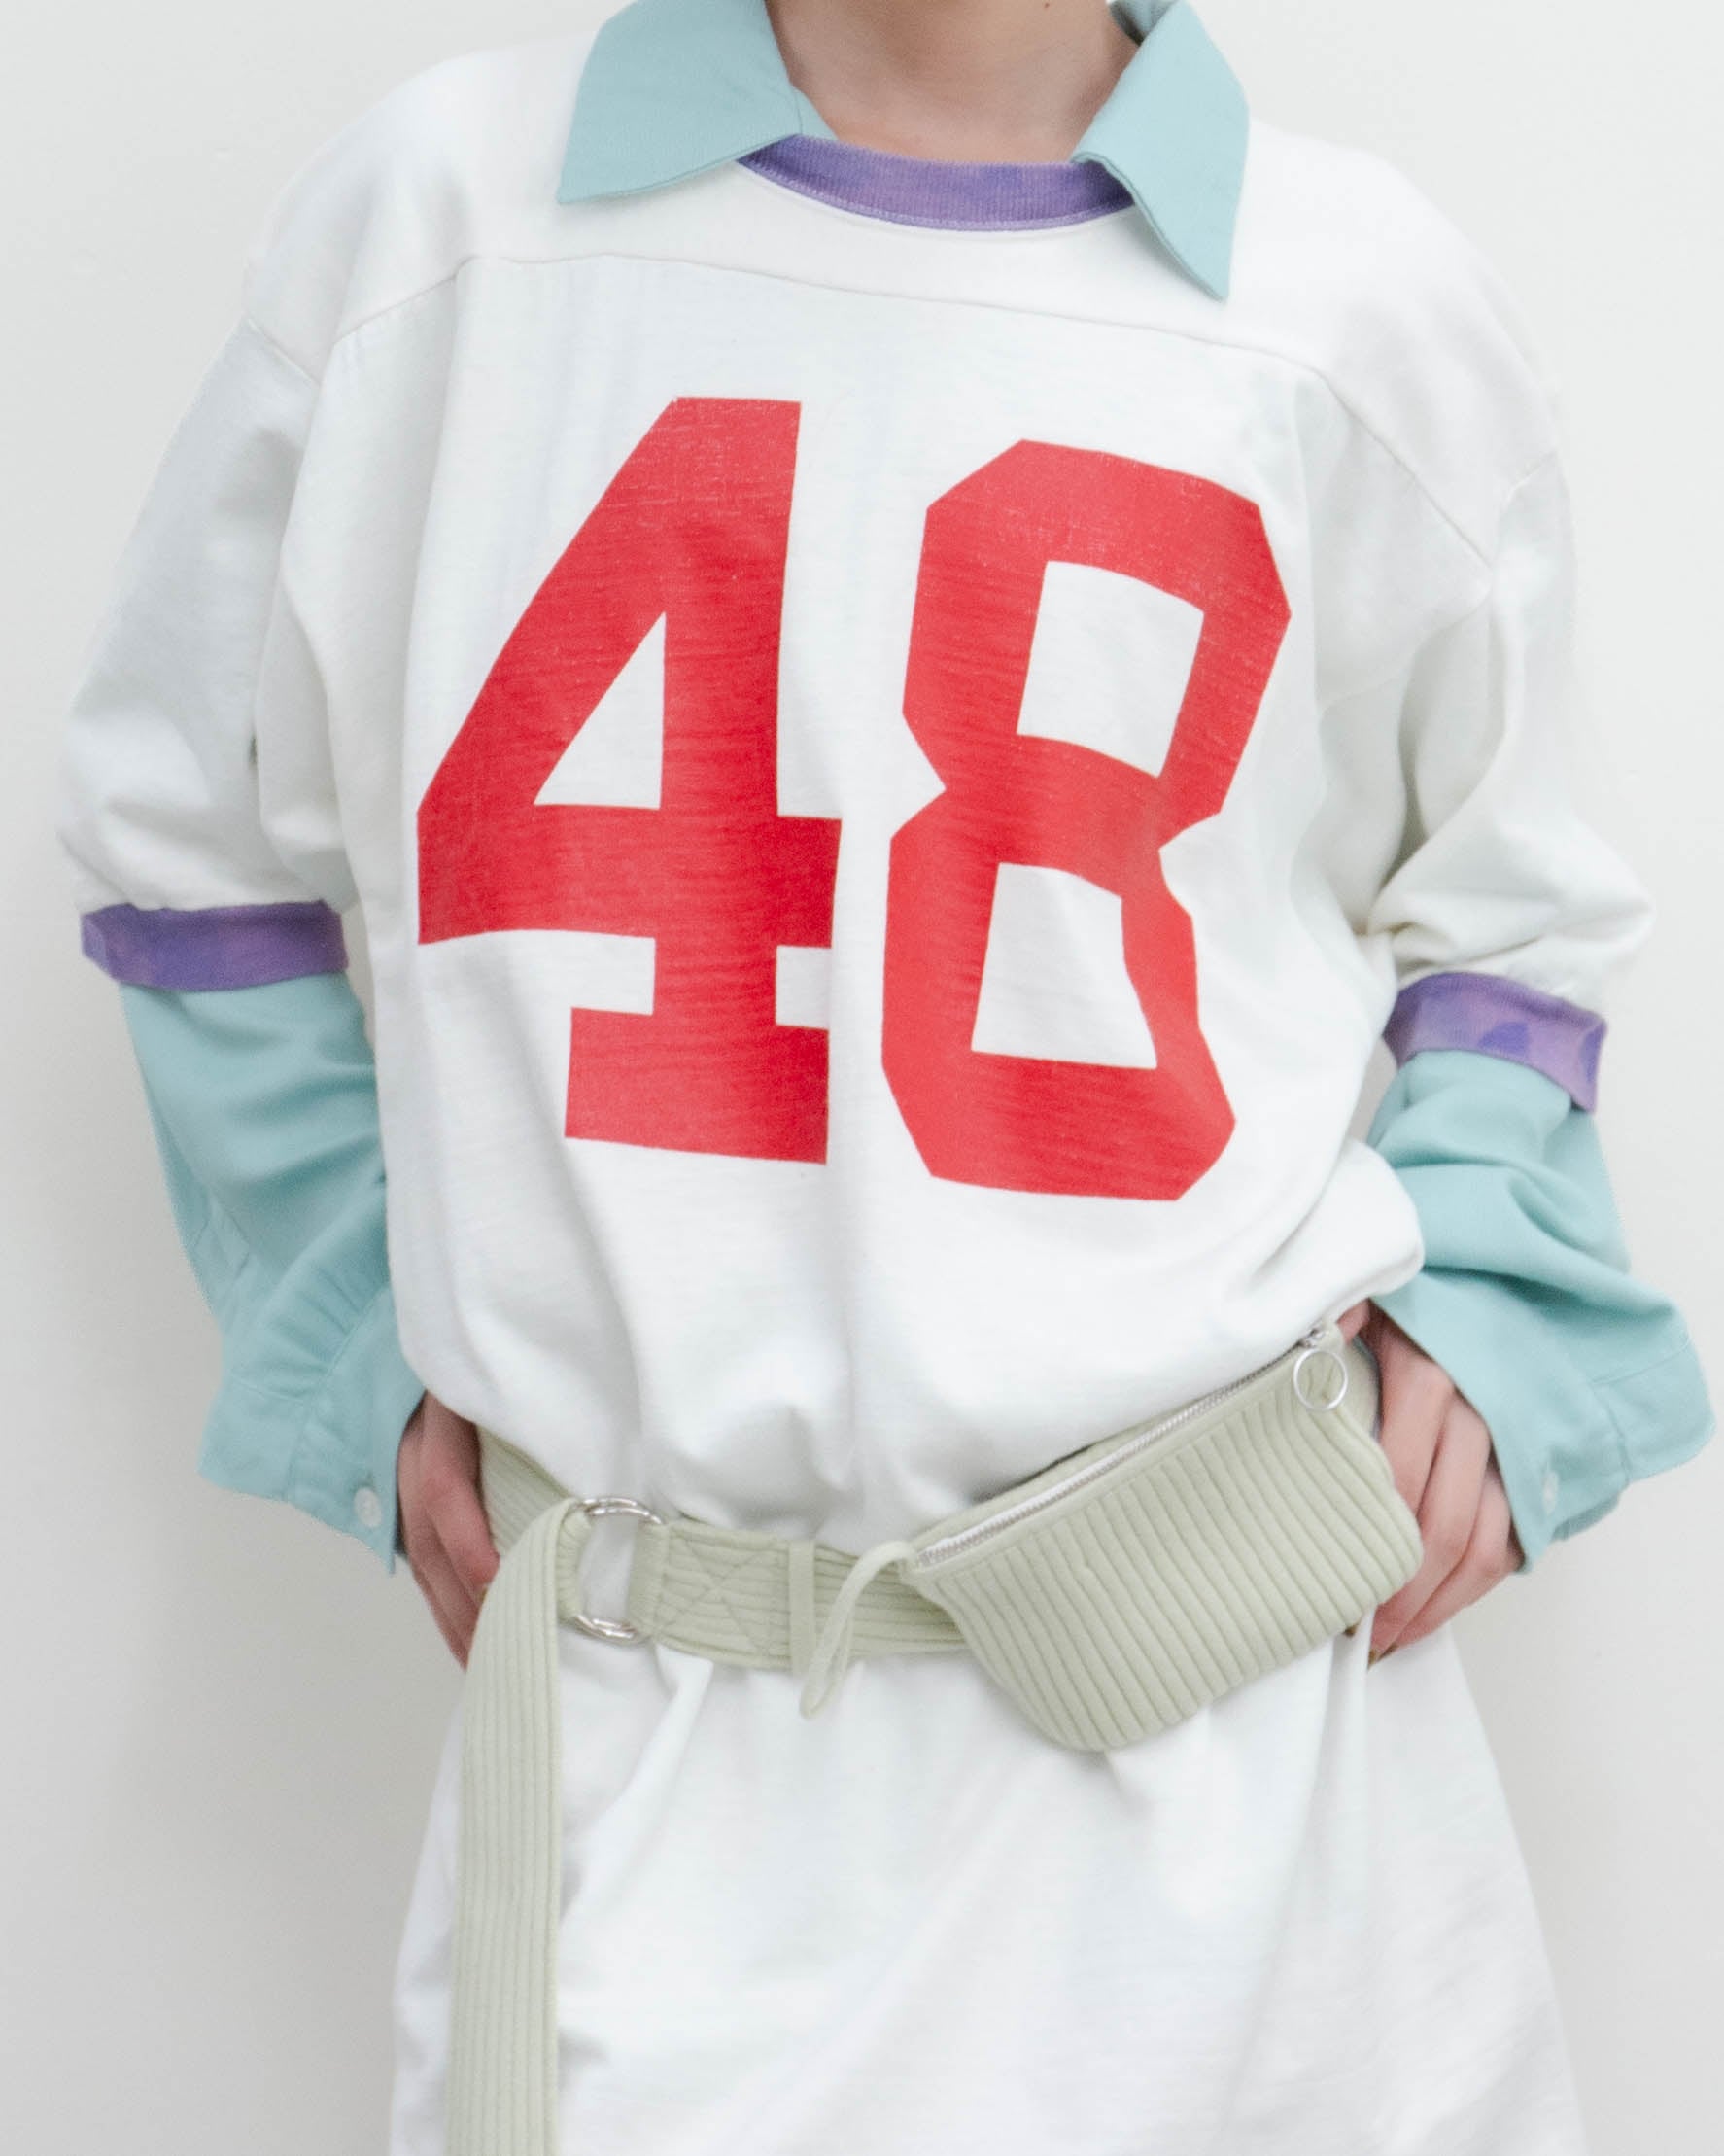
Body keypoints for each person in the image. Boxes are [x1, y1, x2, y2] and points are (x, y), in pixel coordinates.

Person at [56, 0, 1715, 2149]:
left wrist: (1489, 1305)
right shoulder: (436, 229)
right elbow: (183, 830)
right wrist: (356, 1331)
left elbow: (1505, 892)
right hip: (657, 1794)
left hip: (1275, 1802)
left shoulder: (1356, 299)